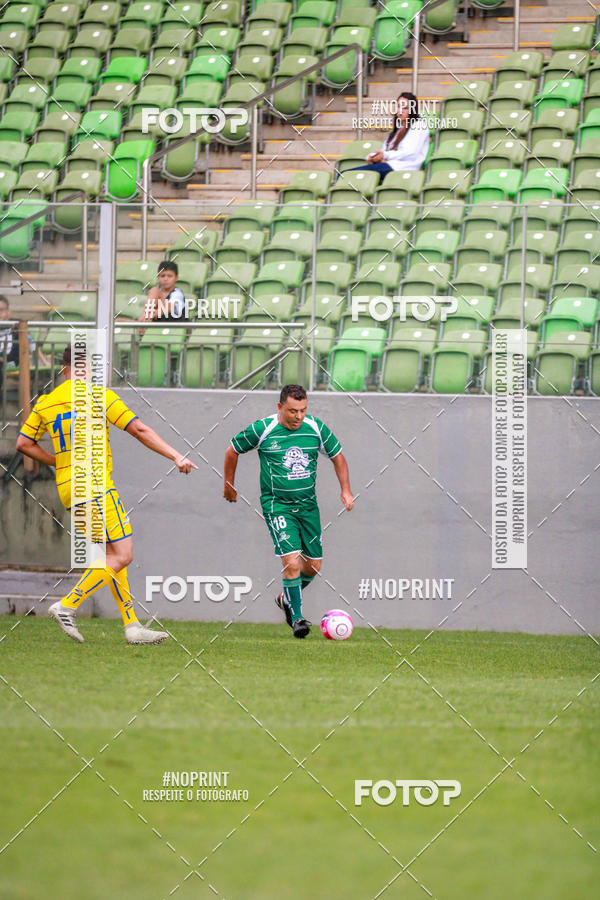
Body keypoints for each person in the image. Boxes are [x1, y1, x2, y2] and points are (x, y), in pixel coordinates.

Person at [16, 345, 198, 645]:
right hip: (96, 488)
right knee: (124, 554)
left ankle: (132, 626)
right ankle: (67, 605)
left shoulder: (46, 402)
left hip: (69, 490)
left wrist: (59, 460)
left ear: (64, 371)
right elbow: (138, 429)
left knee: (112, 557)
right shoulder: (99, 396)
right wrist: (176, 456)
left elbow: (23, 443)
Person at [223, 384, 354, 639]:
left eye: (303, 410)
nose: (298, 416)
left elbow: (338, 455)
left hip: (308, 506)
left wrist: (346, 490)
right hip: (277, 505)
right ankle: (297, 619)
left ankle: (286, 598)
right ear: (280, 407)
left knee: (313, 566)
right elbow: (233, 450)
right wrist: (229, 485)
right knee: (292, 563)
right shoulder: (263, 429)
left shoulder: (315, 427)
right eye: (293, 411)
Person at [345, 91, 430, 184]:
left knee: (345, 175)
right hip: (390, 165)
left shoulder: (419, 126)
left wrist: (385, 156)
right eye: (398, 107)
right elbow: (385, 150)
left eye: (405, 108)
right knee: (345, 176)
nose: (400, 111)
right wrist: (373, 157)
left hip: (403, 167)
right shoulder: (397, 130)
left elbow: (410, 152)